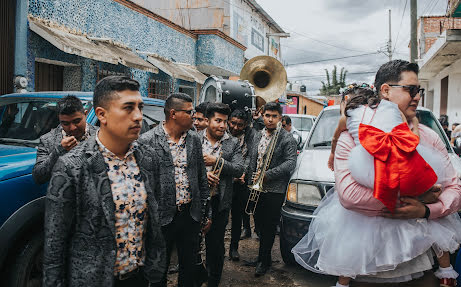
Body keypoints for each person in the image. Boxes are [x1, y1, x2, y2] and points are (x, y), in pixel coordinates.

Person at [292, 60, 461, 287]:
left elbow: (454, 188)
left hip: (423, 266)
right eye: (411, 90)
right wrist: (419, 200)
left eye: (419, 90)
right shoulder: (351, 137)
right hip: (367, 269)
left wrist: (428, 211)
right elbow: (350, 196)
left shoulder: (429, 136)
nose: (418, 96)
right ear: (386, 90)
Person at [43, 76, 166, 287]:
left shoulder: (148, 158)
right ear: (102, 114)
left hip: (140, 277)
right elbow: (54, 243)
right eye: (128, 108)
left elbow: (153, 220)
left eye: (140, 107)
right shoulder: (72, 166)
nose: (138, 116)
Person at [139, 93, 209, 287]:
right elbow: (144, 187)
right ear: (173, 114)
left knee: (188, 269)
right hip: (162, 219)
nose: (194, 115)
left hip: (190, 215)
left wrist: (205, 213)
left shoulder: (194, 139)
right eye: (189, 112)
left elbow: (201, 178)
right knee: (158, 270)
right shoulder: (148, 141)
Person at [247, 102, 297, 277]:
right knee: (259, 224)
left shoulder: (286, 138)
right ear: (262, 116)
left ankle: (264, 261)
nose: (270, 119)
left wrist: (268, 174)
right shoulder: (256, 135)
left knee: (269, 227)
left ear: (280, 118)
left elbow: (291, 163)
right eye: (267, 115)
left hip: (274, 190)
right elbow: (253, 158)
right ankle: (262, 256)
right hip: (256, 188)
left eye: (274, 116)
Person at [199, 102, 243, 286]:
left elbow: (240, 168)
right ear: (208, 120)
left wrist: (217, 161)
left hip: (220, 202)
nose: (223, 126)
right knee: (192, 244)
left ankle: (213, 281)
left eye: (225, 121)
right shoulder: (193, 138)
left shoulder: (232, 142)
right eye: (218, 121)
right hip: (196, 201)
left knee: (216, 246)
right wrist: (203, 175)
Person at [33, 95, 97, 184]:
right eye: (65, 123)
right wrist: (59, 150)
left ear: (85, 114)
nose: (72, 128)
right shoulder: (48, 140)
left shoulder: (100, 134)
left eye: (77, 121)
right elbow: (38, 177)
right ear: (60, 120)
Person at [228, 109, 256, 260]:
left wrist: (242, 173)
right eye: (233, 123)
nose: (235, 127)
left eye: (240, 125)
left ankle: (234, 248)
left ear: (245, 125)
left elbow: (249, 156)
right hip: (223, 182)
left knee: (237, 217)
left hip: (241, 183)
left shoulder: (249, 137)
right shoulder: (222, 134)